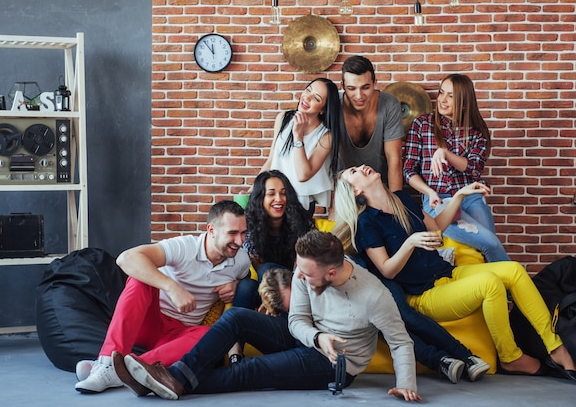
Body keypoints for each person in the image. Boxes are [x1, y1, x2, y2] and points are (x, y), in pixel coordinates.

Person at [333, 164, 576, 383]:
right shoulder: (367, 223)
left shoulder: (401, 198)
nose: (362, 167)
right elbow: (387, 269)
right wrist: (410, 242)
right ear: (356, 192)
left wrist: (459, 196)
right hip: (424, 295)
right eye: (353, 172)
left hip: (447, 274)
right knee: (490, 283)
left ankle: (555, 346)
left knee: (515, 270)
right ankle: (511, 357)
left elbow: (437, 228)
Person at [113, 230, 421, 401]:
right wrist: (316, 336)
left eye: (307, 274)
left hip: (334, 362)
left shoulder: (374, 295)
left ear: (331, 272)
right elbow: (297, 321)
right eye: (299, 268)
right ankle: (173, 378)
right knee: (237, 318)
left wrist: (407, 383)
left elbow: (400, 342)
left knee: (251, 371)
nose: (299, 276)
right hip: (307, 337)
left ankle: (165, 380)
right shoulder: (304, 273)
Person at [74, 200, 251, 394]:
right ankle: (107, 361)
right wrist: (172, 287)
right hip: (150, 322)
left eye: (243, 233)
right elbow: (126, 258)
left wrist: (235, 285)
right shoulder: (185, 247)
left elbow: (248, 281)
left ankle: (130, 369)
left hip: (181, 334)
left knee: (213, 334)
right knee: (140, 279)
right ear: (211, 230)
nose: (240, 241)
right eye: (232, 233)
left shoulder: (240, 260)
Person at [403, 73, 509, 262]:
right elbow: (409, 171)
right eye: (442, 93)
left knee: (490, 246)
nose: (442, 100)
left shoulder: (476, 132)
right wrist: (429, 192)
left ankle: (499, 287)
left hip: (470, 197)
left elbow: (474, 169)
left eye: (451, 96)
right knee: (490, 243)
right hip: (438, 201)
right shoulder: (421, 125)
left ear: (465, 102)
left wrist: (445, 153)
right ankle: (511, 288)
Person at [233, 170, 314, 310]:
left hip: (295, 286)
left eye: (283, 193)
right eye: (271, 194)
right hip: (264, 285)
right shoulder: (249, 227)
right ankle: (239, 325)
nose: (279, 199)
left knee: (266, 269)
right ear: (260, 198)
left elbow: (302, 269)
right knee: (246, 286)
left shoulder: (302, 223)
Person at [257, 78, 341, 214]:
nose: (307, 97)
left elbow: (303, 175)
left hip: (300, 205)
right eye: (308, 90)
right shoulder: (283, 118)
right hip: (272, 199)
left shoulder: (326, 137)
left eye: (316, 98)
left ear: (323, 109)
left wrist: (298, 136)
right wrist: (252, 191)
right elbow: (271, 161)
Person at [339, 55, 404, 192]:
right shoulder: (332, 105)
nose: (359, 96)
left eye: (365, 87)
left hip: (380, 187)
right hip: (343, 190)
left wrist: (396, 204)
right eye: (351, 88)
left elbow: (394, 160)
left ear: (375, 83)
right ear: (342, 85)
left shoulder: (389, 104)